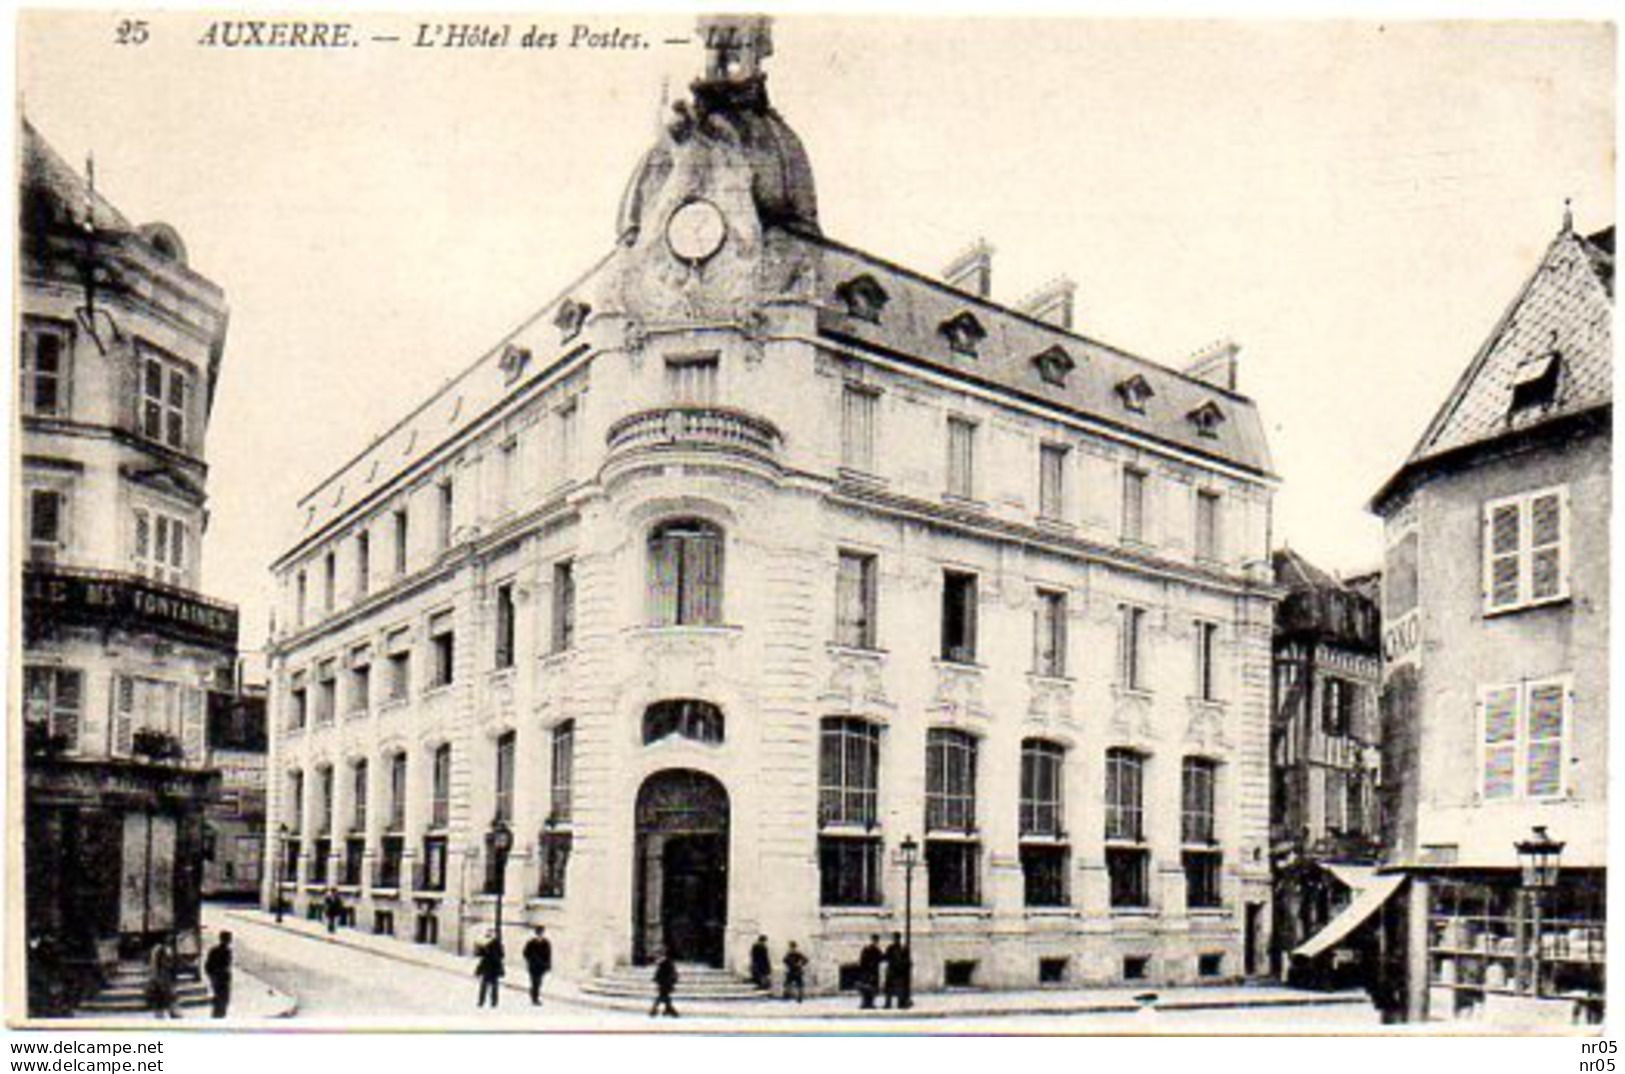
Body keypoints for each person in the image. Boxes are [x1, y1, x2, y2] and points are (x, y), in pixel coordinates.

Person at [146, 942, 180, 1020]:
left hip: (163, 982)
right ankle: (171, 1012)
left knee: (164, 999)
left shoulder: (158, 962)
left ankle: (168, 1013)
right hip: (162, 983)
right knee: (165, 998)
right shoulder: (160, 962)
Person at [204, 931, 233, 1019]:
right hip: (223, 979)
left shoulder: (214, 950)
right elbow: (226, 966)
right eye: (229, 939)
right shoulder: (227, 951)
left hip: (217, 979)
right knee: (223, 1001)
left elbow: (207, 966)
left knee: (218, 1000)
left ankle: (216, 1016)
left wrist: (212, 977)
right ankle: (219, 1018)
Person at [522, 926, 552, 1006]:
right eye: (539, 933)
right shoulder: (531, 942)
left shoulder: (546, 943)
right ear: (536, 933)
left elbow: (548, 955)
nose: (540, 934)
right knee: (534, 981)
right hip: (533, 966)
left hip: (541, 966)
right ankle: (535, 998)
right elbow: (525, 953)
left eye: (541, 933)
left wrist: (548, 965)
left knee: (539, 982)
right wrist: (531, 959)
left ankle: (534, 993)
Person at [475, 930, 505, 1008]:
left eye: (491, 934)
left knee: (493, 986)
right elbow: (479, 955)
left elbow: (501, 955)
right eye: (489, 934)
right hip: (488, 967)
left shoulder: (497, 944)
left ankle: (493, 1002)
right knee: (485, 985)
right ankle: (482, 1001)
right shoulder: (485, 943)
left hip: (494, 967)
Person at [883, 932, 911, 1010]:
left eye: (896, 938)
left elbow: (906, 960)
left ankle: (898, 1003)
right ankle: (889, 1003)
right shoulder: (892, 948)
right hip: (893, 971)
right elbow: (886, 957)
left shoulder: (902, 948)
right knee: (890, 988)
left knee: (898, 988)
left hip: (897, 971)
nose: (895, 940)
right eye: (894, 938)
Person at [857, 935, 884, 1010]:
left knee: (869, 988)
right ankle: (867, 1003)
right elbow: (881, 958)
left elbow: (881, 958)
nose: (876, 942)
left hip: (869, 971)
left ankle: (867, 1003)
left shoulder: (872, 949)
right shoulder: (872, 949)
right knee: (869, 987)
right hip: (870, 972)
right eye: (875, 940)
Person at [650, 950, 679, 1018]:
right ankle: (669, 1010)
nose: (656, 958)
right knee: (664, 997)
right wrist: (656, 979)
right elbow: (659, 974)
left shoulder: (667, 963)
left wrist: (658, 979)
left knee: (661, 997)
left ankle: (655, 1010)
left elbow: (672, 973)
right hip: (664, 983)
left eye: (658, 956)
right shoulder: (662, 963)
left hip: (666, 983)